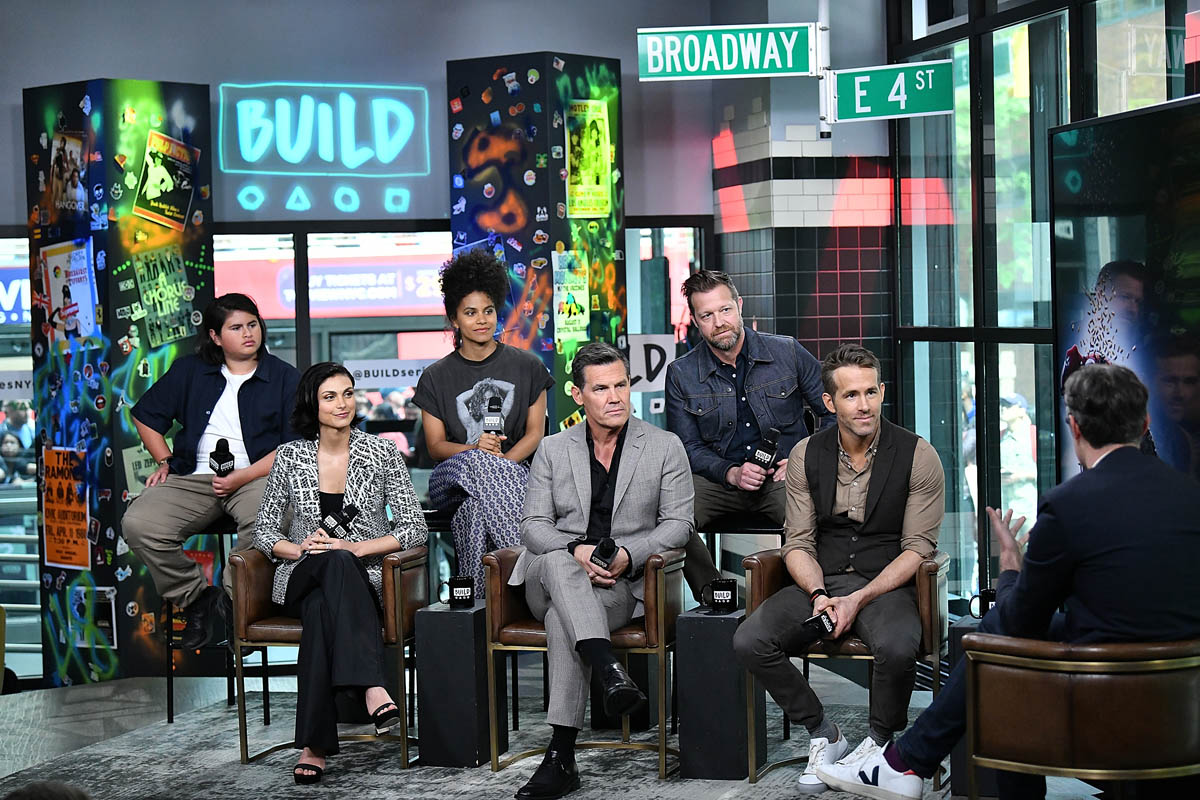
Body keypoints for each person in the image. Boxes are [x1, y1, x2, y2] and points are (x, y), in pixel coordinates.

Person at [818, 363, 1200, 800]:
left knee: (996, 640)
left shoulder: (1068, 504)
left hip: (1104, 691)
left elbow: (1021, 621)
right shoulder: (1191, 495)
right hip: (1182, 695)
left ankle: (906, 762)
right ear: (1146, 423)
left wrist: (1012, 569)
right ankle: (906, 761)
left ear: (1074, 427)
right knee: (1002, 631)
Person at [732, 343, 945, 793]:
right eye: (851, 395)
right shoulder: (806, 454)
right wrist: (818, 596)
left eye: (871, 392)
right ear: (829, 402)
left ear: (882, 391)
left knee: (898, 647)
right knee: (750, 639)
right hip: (822, 579)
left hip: (886, 584)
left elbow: (917, 549)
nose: (864, 405)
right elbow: (798, 543)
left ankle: (878, 744)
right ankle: (824, 733)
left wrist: (859, 598)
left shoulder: (918, 455)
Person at [510, 342, 693, 800]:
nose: (615, 397)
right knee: (558, 559)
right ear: (578, 395)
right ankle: (608, 665)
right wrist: (576, 550)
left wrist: (630, 553)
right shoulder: (553, 449)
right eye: (601, 389)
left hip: (617, 586)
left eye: (621, 385)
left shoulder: (664, 446)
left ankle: (561, 756)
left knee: (563, 619)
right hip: (549, 578)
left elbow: (679, 524)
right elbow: (533, 525)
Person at [252, 362, 428, 785]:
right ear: (312, 405)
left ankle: (314, 746)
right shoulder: (290, 457)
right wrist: (297, 548)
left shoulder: (382, 453)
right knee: (328, 562)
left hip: (361, 579)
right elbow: (264, 530)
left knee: (322, 605)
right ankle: (371, 685)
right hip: (301, 573)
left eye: (348, 393)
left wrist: (356, 548)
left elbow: (414, 527)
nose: (342, 404)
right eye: (330, 396)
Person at [122, 293, 300, 649]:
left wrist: (240, 478)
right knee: (138, 524)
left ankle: (235, 605)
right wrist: (164, 460)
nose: (248, 333)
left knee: (266, 519)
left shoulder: (284, 377)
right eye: (236, 327)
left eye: (253, 324)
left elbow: (292, 448)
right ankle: (197, 599)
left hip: (257, 475)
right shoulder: (191, 370)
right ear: (216, 336)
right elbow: (145, 415)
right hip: (194, 475)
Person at [664, 269, 832, 602]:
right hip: (718, 481)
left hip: (784, 477)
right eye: (707, 315)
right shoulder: (681, 374)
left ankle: (798, 600)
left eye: (725, 310)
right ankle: (714, 595)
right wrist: (731, 472)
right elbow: (688, 447)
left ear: (739, 306)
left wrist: (803, 460)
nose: (719, 322)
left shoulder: (787, 352)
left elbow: (833, 411)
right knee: (670, 515)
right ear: (695, 321)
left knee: (812, 517)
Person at [413, 249, 554, 595]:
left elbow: (536, 434)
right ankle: (532, 569)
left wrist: (501, 465)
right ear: (454, 319)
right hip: (451, 480)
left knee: (474, 514)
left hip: (514, 474)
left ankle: (480, 609)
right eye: (470, 312)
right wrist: (476, 451)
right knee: (477, 463)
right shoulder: (435, 377)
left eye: (488, 311)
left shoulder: (528, 367)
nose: (482, 320)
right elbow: (436, 447)